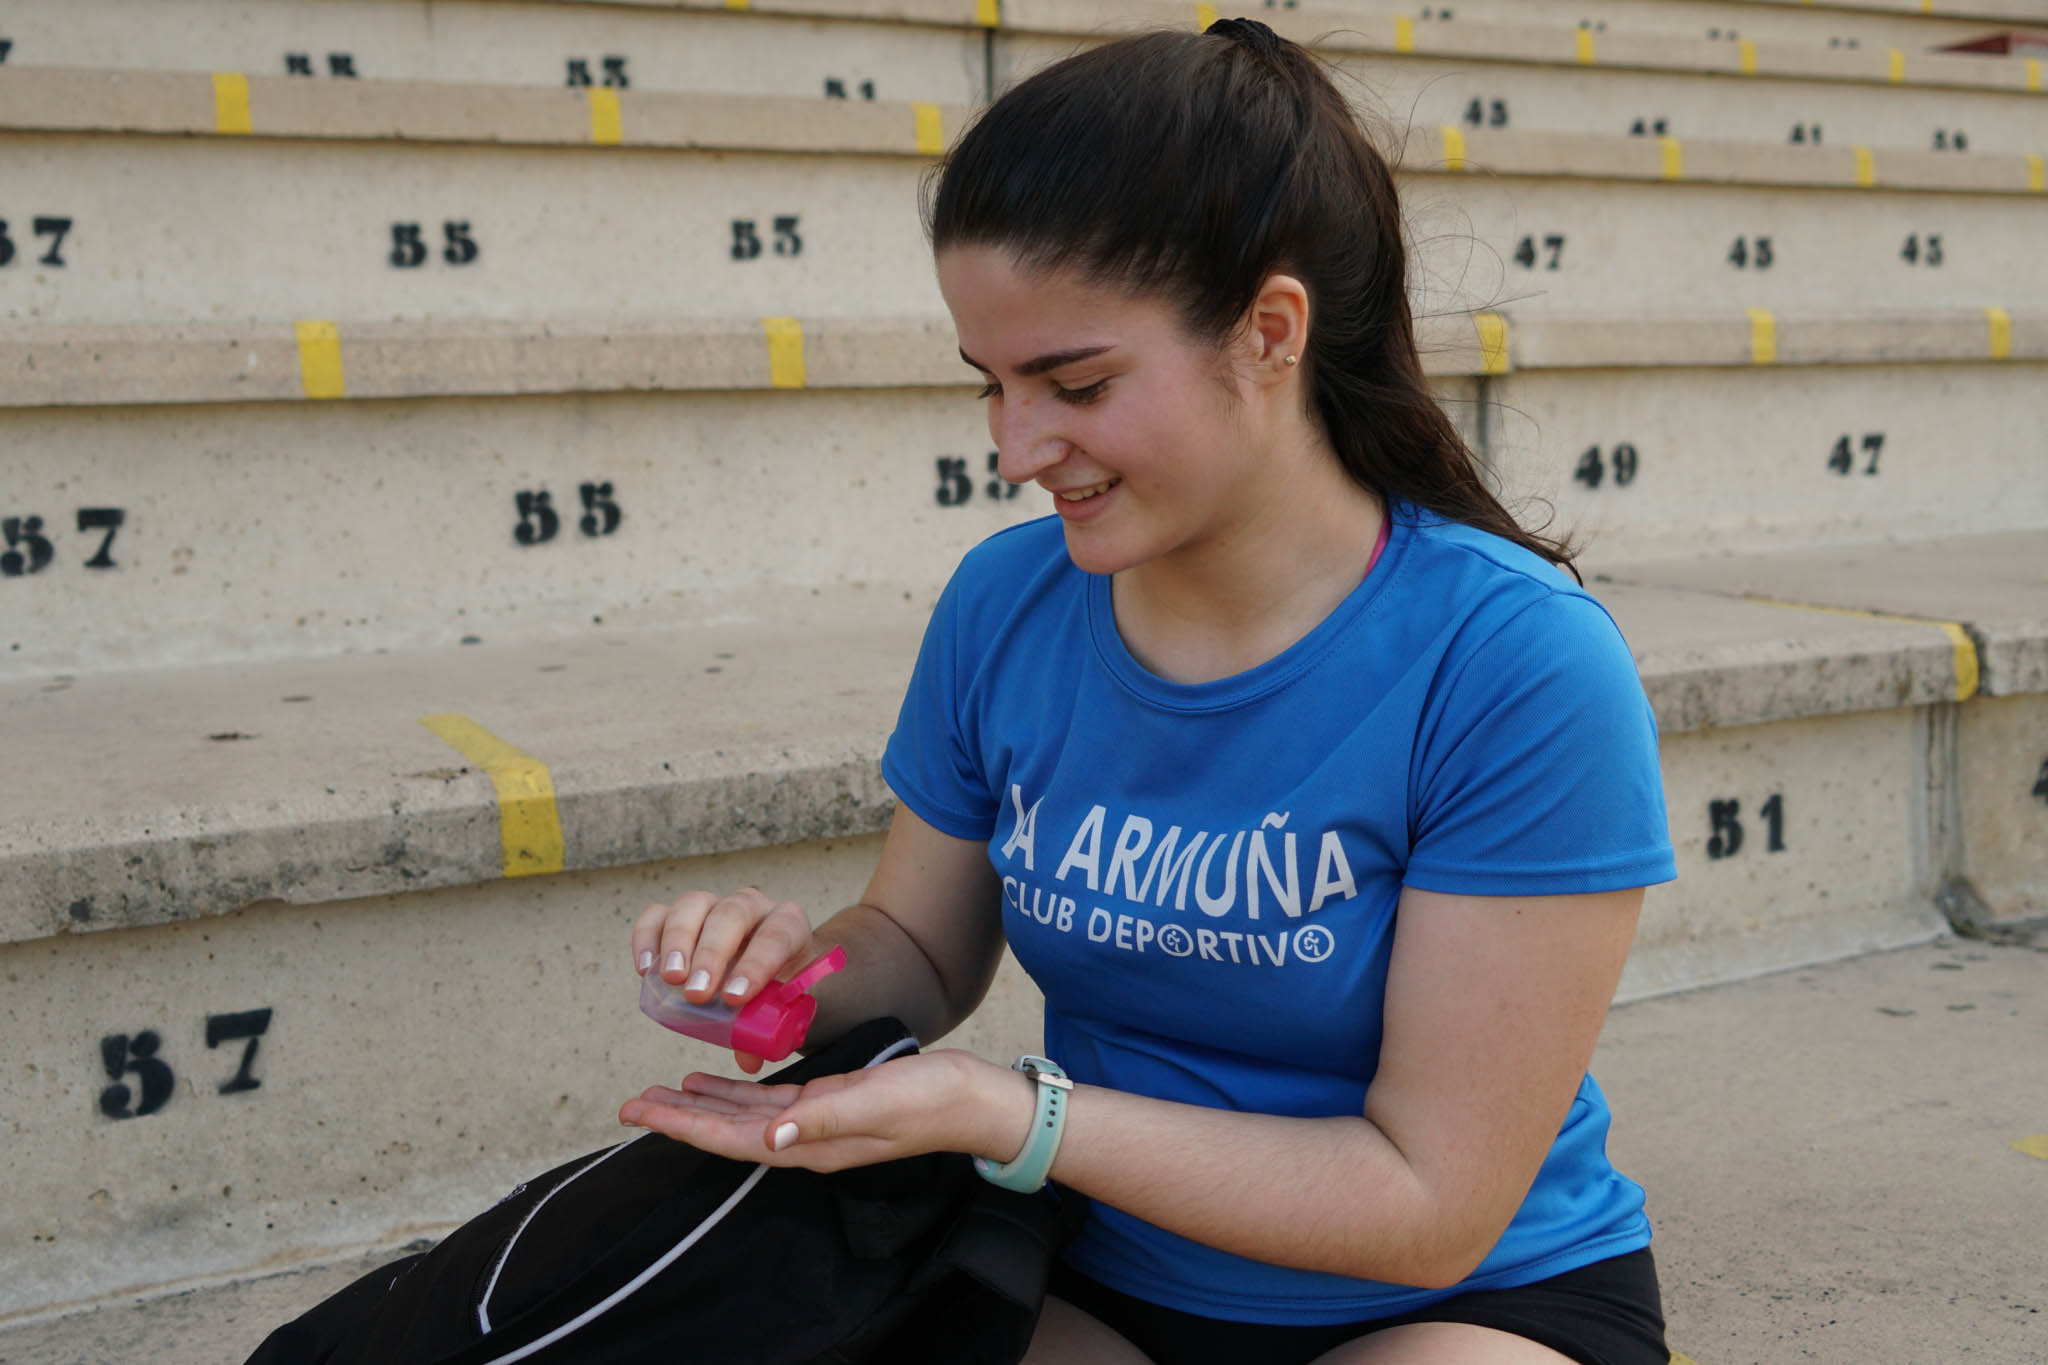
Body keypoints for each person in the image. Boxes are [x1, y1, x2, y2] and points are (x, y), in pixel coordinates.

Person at [617, 19, 1678, 1365]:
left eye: (1075, 383)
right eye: (991, 384)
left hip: (1457, 1303)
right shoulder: (1006, 605)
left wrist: (1016, 1115)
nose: (1015, 447)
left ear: (1271, 330)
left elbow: (1427, 1205)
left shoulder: (1514, 662)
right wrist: (768, 977)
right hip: (1100, 1268)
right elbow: (925, 946)